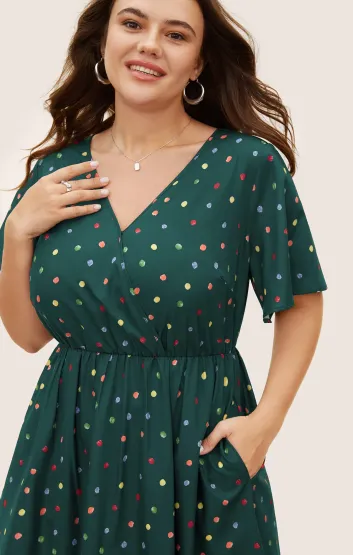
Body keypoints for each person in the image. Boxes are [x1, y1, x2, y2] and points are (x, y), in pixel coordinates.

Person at [0, 0, 328, 553]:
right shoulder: (57, 173)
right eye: (132, 24)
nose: (149, 44)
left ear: (198, 62)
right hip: (68, 446)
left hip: (194, 442)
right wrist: (16, 234)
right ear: (104, 41)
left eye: (176, 35)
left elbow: (300, 299)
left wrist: (265, 425)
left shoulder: (247, 166)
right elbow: (29, 336)